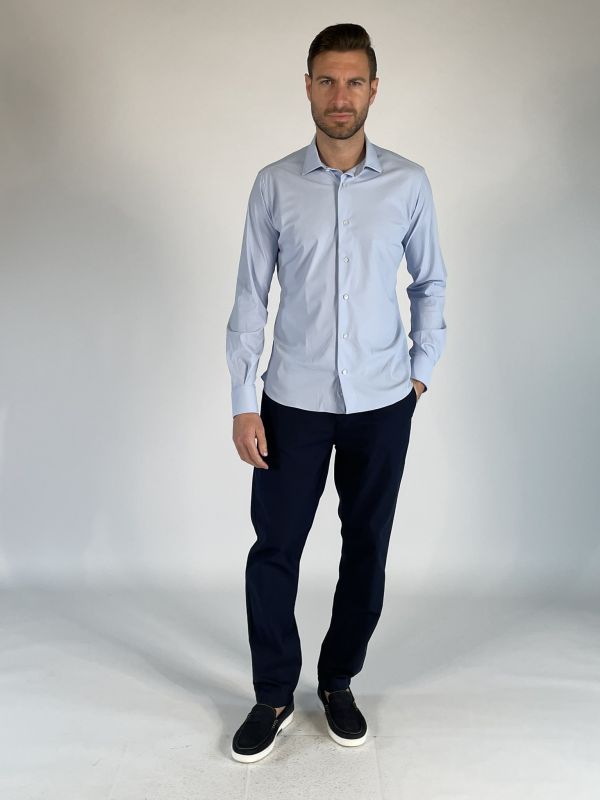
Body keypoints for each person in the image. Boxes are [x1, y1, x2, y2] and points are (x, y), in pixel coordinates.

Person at [226, 22, 447, 763]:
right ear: (308, 87)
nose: (340, 96)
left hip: (382, 403)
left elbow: (431, 282)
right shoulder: (274, 184)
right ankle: (273, 693)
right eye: (327, 80)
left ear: (374, 89)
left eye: (354, 81)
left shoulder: (408, 183)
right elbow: (250, 296)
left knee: (367, 548)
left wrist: (420, 370)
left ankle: (339, 680)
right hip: (290, 402)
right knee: (275, 549)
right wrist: (244, 400)